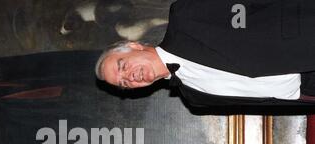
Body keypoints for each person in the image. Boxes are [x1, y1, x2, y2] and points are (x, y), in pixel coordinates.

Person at [95, 0, 315, 108]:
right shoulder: (194, 98)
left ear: (134, 46)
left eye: (123, 66)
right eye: (123, 83)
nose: (130, 77)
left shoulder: (185, 17)